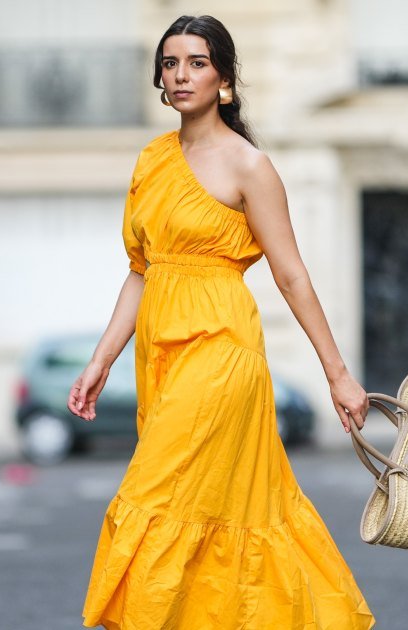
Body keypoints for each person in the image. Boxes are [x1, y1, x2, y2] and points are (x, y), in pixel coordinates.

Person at [69, 14, 377, 630]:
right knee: (210, 506)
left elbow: (291, 276)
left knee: (152, 497)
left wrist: (339, 376)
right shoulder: (152, 160)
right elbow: (141, 269)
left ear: (225, 81)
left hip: (221, 352)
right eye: (171, 63)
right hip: (161, 354)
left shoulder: (249, 166)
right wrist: (101, 358)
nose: (181, 74)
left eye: (198, 62)